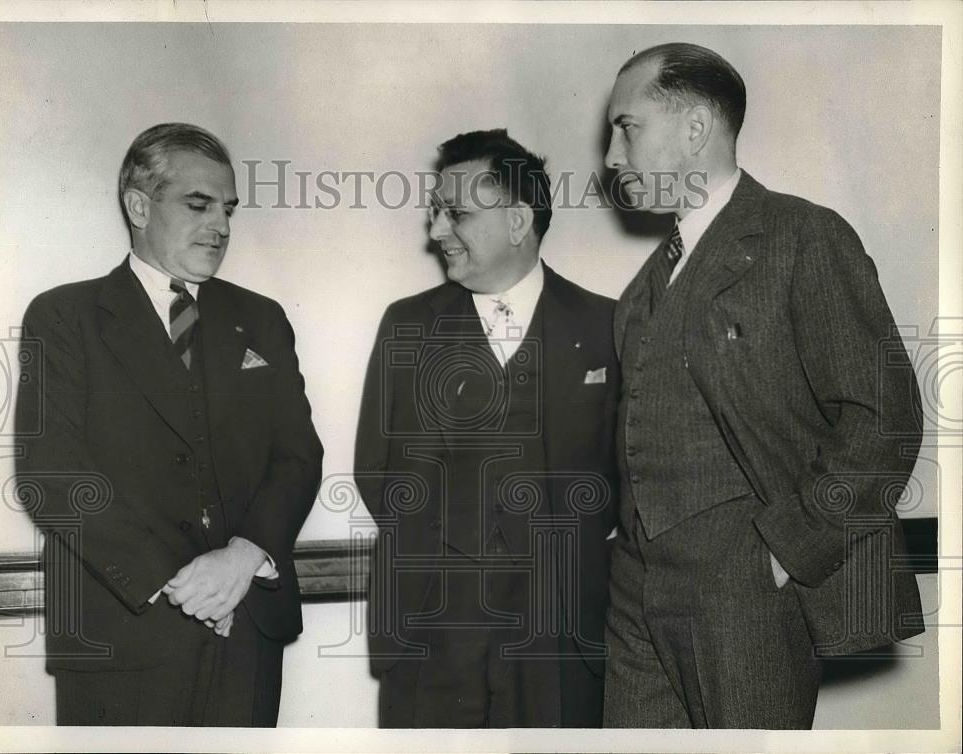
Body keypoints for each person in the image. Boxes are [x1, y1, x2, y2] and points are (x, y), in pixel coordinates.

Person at [601, 43, 925, 729]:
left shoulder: (801, 237)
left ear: (694, 130)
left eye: (626, 128)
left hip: (744, 587)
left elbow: (883, 420)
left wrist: (789, 550)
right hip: (635, 592)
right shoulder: (640, 291)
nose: (611, 156)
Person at [14, 123, 323, 726]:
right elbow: (51, 477)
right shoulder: (64, 316)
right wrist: (182, 586)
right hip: (122, 637)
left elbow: (298, 456)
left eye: (228, 210)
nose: (222, 227)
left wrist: (242, 558)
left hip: (248, 634)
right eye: (199, 204)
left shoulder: (261, 318)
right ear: (138, 205)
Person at [354, 129, 618, 727]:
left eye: (458, 214)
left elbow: (626, 475)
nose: (437, 231)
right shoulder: (407, 326)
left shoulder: (607, 324)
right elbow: (378, 470)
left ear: (519, 220)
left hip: (565, 635)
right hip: (432, 631)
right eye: (436, 214)